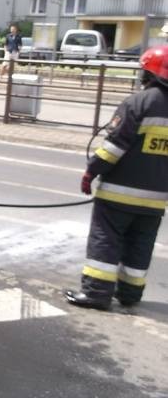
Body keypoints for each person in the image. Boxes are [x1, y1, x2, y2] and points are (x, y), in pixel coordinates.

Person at [65, 45, 168, 310]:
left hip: (119, 194)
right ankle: (130, 294)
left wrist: (92, 170)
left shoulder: (139, 102)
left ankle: (97, 293)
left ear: (150, 74)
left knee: (106, 238)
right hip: (156, 200)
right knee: (140, 245)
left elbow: (114, 147)